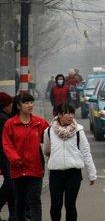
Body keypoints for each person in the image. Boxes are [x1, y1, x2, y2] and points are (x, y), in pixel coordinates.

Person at [43, 104, 97, 221]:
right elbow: (46, 150)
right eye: (67, 113)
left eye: (72, 113)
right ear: (59, 115)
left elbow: (86, 152)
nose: (70, 116)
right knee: (56, 205)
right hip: (56, 173)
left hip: (73, 173)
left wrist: (92, 174)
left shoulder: (78, 131)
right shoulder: (48, 131)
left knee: (70, 205)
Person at [2, 93, 49, 221]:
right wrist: (15, 159)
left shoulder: (39, 122)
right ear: (18, 106)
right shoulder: (10, 124)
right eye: (26, 103)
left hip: (35, 168)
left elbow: (51, 136)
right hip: (18, 169)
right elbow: (7, 144)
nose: (30, 105)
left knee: (35, 200)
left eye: (31, 102)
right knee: (20, 201)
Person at [0, 92, 15, 220]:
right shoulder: (4, 120)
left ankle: (13, 215)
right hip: (5, 155)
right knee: (10, 183)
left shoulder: (5, 118)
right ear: (4, 106)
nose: (12, 107)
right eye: (10, 105)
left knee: (10, 183)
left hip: (5, 155)